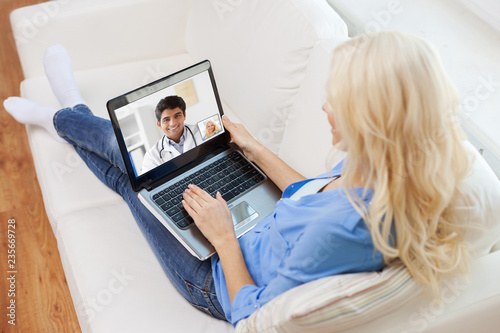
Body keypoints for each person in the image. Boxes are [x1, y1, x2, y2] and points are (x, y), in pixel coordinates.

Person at [3, 31, 471, 326]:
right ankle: (69, 113)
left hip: (216, 276)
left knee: (136, 182)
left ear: (371, 120)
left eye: (338, 101)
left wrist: (223, 238)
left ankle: (62, 114)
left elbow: (256, 315)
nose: (325, 107)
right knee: (145, 172)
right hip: (250, 229)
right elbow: (312, 197)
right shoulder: (386, 171)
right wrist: (252, 148)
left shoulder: (343, 232)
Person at [141, 95, 202, 174]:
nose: (173, 123)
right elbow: (150, 184)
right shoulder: (152, 156)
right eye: (166, 120)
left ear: (184, 115)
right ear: (159, 125)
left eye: (177, 116)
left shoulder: (203, 130)